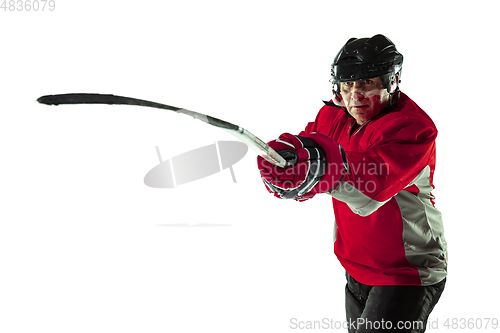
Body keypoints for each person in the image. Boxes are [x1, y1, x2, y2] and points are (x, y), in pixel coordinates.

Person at [258, 34, 447, 332]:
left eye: (367, 84)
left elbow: (373, 185)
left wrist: (320, 170)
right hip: (356, 267)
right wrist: (287, 163)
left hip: (406, 272)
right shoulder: (333, 117)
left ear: (392, 81)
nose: (355, 96)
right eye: (347, 86)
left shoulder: (413, 128)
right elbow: (311, 150)